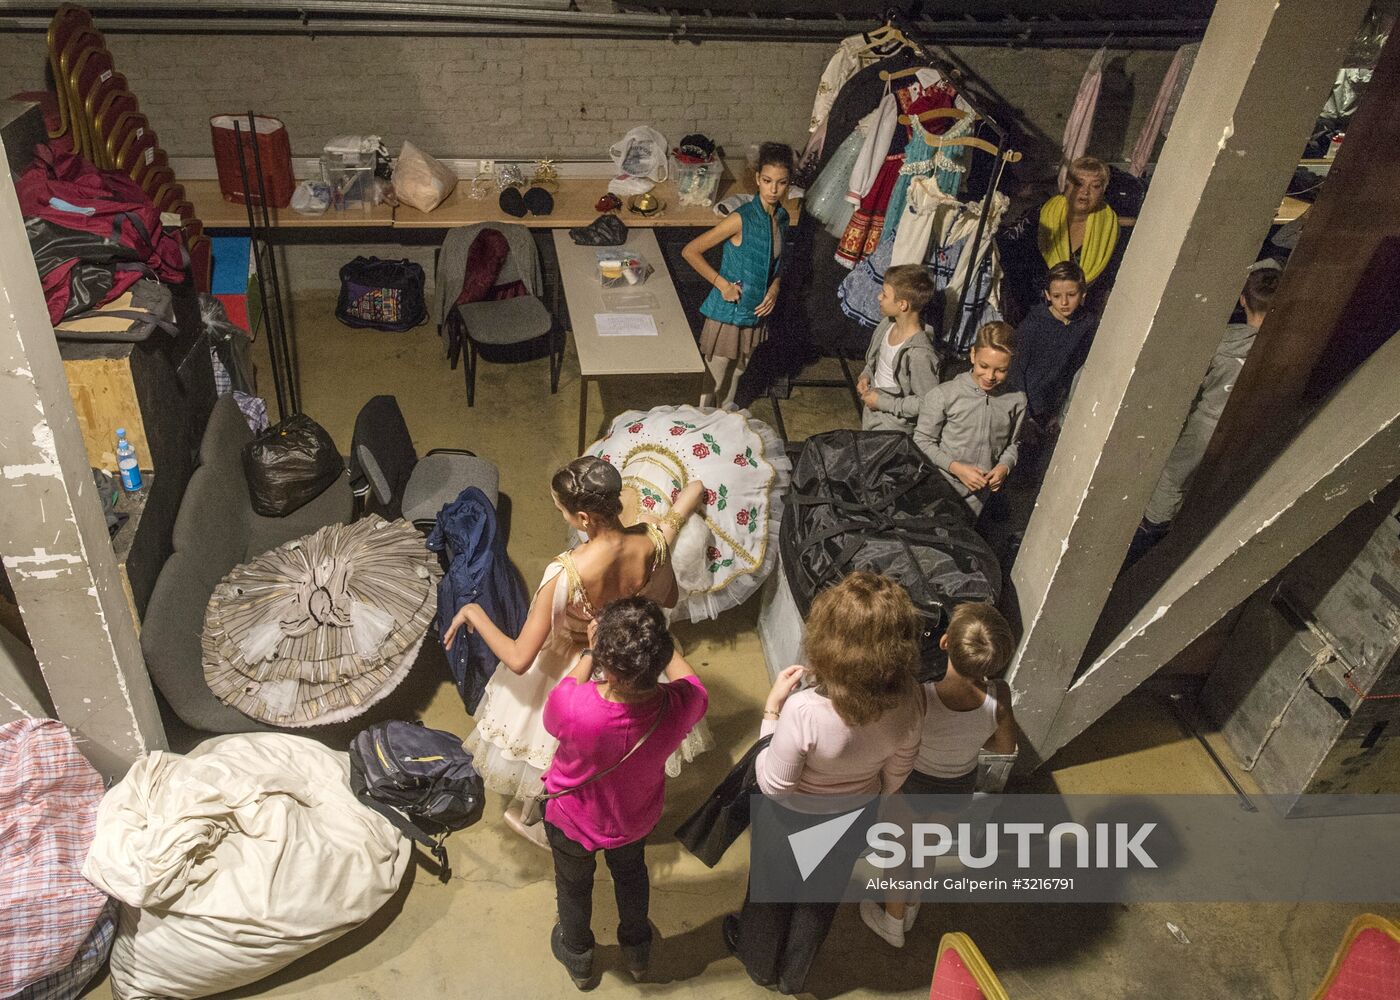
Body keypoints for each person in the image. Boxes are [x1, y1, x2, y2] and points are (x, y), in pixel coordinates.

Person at [448, 456, 704, 846]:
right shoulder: (651, 541)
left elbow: (519, 659)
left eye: (561, 509)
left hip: (575, 661)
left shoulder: (565, 572)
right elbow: (667, 596)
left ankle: (547, 814)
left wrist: (474, 613)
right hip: (630, 654)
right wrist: (691, 497)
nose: (561, 515)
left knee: (556, 746)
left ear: (584, 517)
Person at [725, 571, 923, 995]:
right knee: (819, 899)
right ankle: (795, 975)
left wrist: (771, 712)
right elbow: (899, 768)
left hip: (789, 820)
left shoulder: (804, 710)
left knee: (772, 894)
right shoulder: (909, 702)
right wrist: (875, 796)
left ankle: (762, 965)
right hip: (851, 815)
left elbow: (775, 785)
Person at [542, 597, 709, 990]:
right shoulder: (681, 705)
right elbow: (695, 683)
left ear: (607, 664)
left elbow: (555, 712)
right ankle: (637, 950)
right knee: (631, 876)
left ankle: (579, 956)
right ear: (663, 653)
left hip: (571, 820)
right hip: (635, 820)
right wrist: (660, 647)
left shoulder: (573, 705)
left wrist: (589, 650)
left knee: (572, 885)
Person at [860, 602, 1018, 948]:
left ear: (944, 642)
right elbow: (1005, 746)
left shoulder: (921, 696)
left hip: (913, 784)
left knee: (900, 852)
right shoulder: (1000, 696)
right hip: (958, 785)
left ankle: (892, 921)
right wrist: (973, 736)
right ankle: (913, 906)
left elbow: (896, 738)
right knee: (928, 849)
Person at [1129, 265, 1280, 562]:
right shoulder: (1285, 346)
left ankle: (1150, 541)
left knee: (1171, 484)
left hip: (1206, 426)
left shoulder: (1224, 341)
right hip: (1253, 432)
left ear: (1242, 300)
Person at [586, 403, 789, 623]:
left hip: (678, 472)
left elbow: (696, 490)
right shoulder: (609, 535)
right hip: (655, 483)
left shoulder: (650, 543)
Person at [684, 142, 793, 409]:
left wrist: (775, 287)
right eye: (767, 181)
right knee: (715, 379)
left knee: (740, 373)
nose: (773, 189)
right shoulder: (740, 219)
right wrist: (722, 285)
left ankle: (723, 425)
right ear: (757, 179)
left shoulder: (782, 218)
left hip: (756, 310)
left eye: (781, 182)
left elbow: (778, 263)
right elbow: (691, 251)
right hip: (728, 312)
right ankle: (699, 426)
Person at [914, 321, 1027, 516]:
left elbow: (1014, 443)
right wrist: (956, 468)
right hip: (939, 488)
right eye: (984, 366)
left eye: (1001, 370)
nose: (990, 376)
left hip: (978, 499)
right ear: (973, 355)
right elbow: (922, 441)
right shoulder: (944, 394)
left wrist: (1004, 466)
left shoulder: (1016, 401)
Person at [1009, 260, 1100, 434]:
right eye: (1057, 296)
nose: (1064, 302)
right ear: (1048, 295)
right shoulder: (1032, 325)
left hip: (1051, 411)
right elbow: (1016, 372)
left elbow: (1075, 370)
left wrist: (1059, 413)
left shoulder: (1087, 324)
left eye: (1071, 295)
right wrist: (1024, 415)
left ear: (1083, 294)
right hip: (1024, 407)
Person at [855, 263, 941, 433]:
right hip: (872, 416)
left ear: (902, 305)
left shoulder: (919, 354)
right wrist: (866, 374)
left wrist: (882, 403)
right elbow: (878, 362)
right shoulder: (886, 325)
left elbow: (928, 402)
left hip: (893, 428)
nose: (879, 297)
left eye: (885, 295)